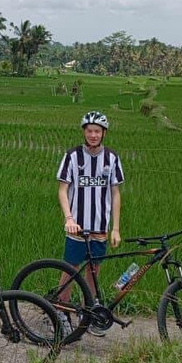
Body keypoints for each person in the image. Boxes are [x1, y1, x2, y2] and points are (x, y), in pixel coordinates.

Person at [56, 111, 124, 336]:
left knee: (94, 269)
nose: (93, 135)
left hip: (100, 227)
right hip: (77, 226)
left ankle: (90, 310)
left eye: (97, 131)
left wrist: (115, 228)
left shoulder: (111, 158)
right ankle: (60, 309)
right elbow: (63, 190)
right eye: (89, 131)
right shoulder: (72, 156)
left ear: (103, 133)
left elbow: (115, 194)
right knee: (71, 268)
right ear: (84, 132)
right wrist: (68, 219)